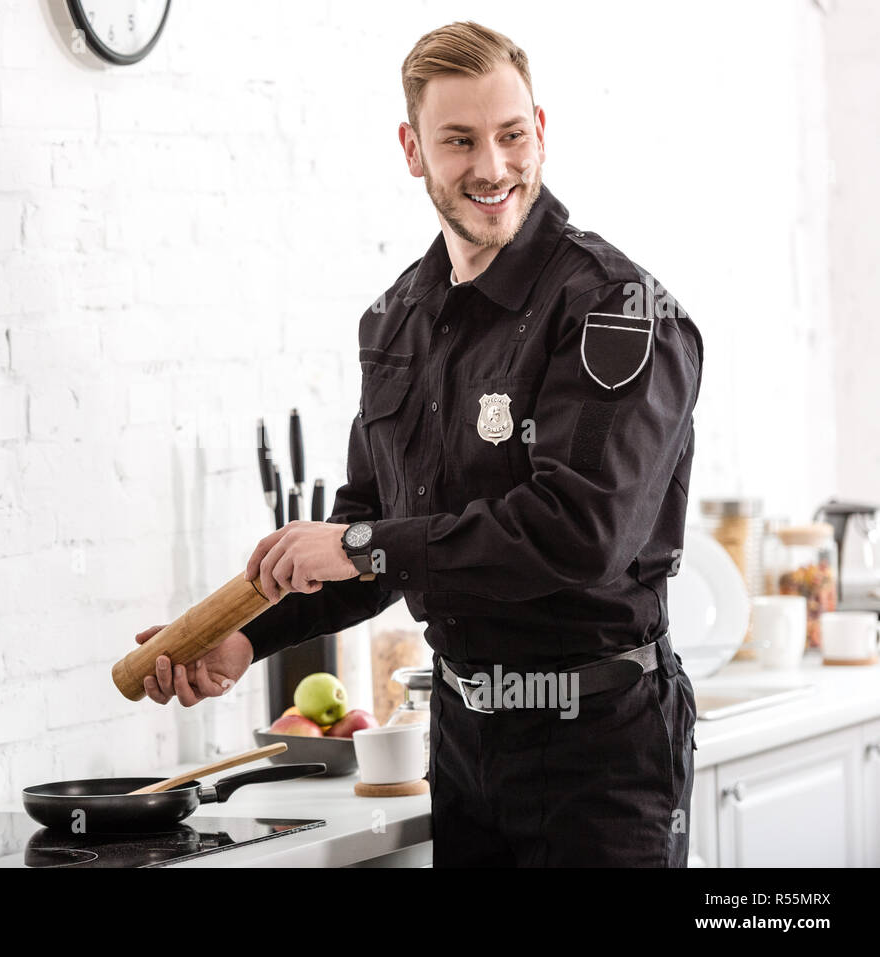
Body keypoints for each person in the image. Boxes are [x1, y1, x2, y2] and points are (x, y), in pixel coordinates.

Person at [134, 20, 703, 867]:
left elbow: (579, 533)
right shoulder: (398, 320)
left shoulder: (615, 309)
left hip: (604, 756)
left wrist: (357, 544)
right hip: (465, 749)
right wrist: (245, 638)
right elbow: (373, 529)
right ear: (413, 149)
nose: (493, 166)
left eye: (512, 136)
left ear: (540, 131)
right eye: (459, 140)